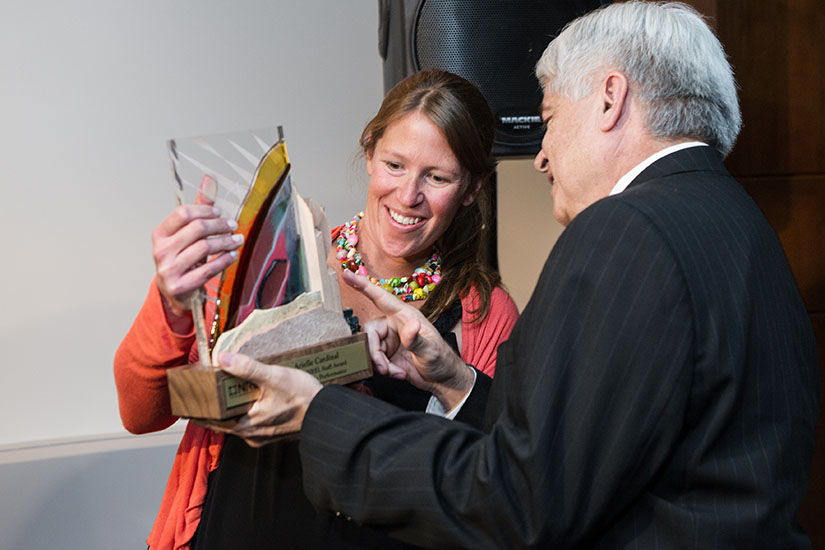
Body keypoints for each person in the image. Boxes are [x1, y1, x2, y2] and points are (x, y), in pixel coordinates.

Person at [206, 2, 820, 548]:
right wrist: (455, 380)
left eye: (549, 117)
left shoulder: (623, 229)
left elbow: (521, 503)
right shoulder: (736, 218)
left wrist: (318, 416)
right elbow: (581, 452)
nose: (543, 154)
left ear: (610, 99)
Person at [113, 69, 519, 550]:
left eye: (437, 177)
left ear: (471, 189)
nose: (408, 196)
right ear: (369, 152)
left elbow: (497, 480)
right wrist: (172, 300)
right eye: (394, 164)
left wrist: (446, 383)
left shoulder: (483, 313)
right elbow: (142, 412)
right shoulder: (278, 259)